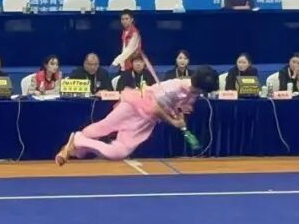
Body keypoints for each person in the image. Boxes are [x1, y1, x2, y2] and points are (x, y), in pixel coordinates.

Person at [55, 66, 219, 164]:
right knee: (102, 128)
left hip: (146, 120)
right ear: (200, 86)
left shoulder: (193, 92)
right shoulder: (175, 87)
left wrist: (179, 115)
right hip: (135, 106)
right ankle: (77, 146)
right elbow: (155, 107)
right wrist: (173, 122)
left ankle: (78, 141)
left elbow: (179, 107)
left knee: (119, 153)